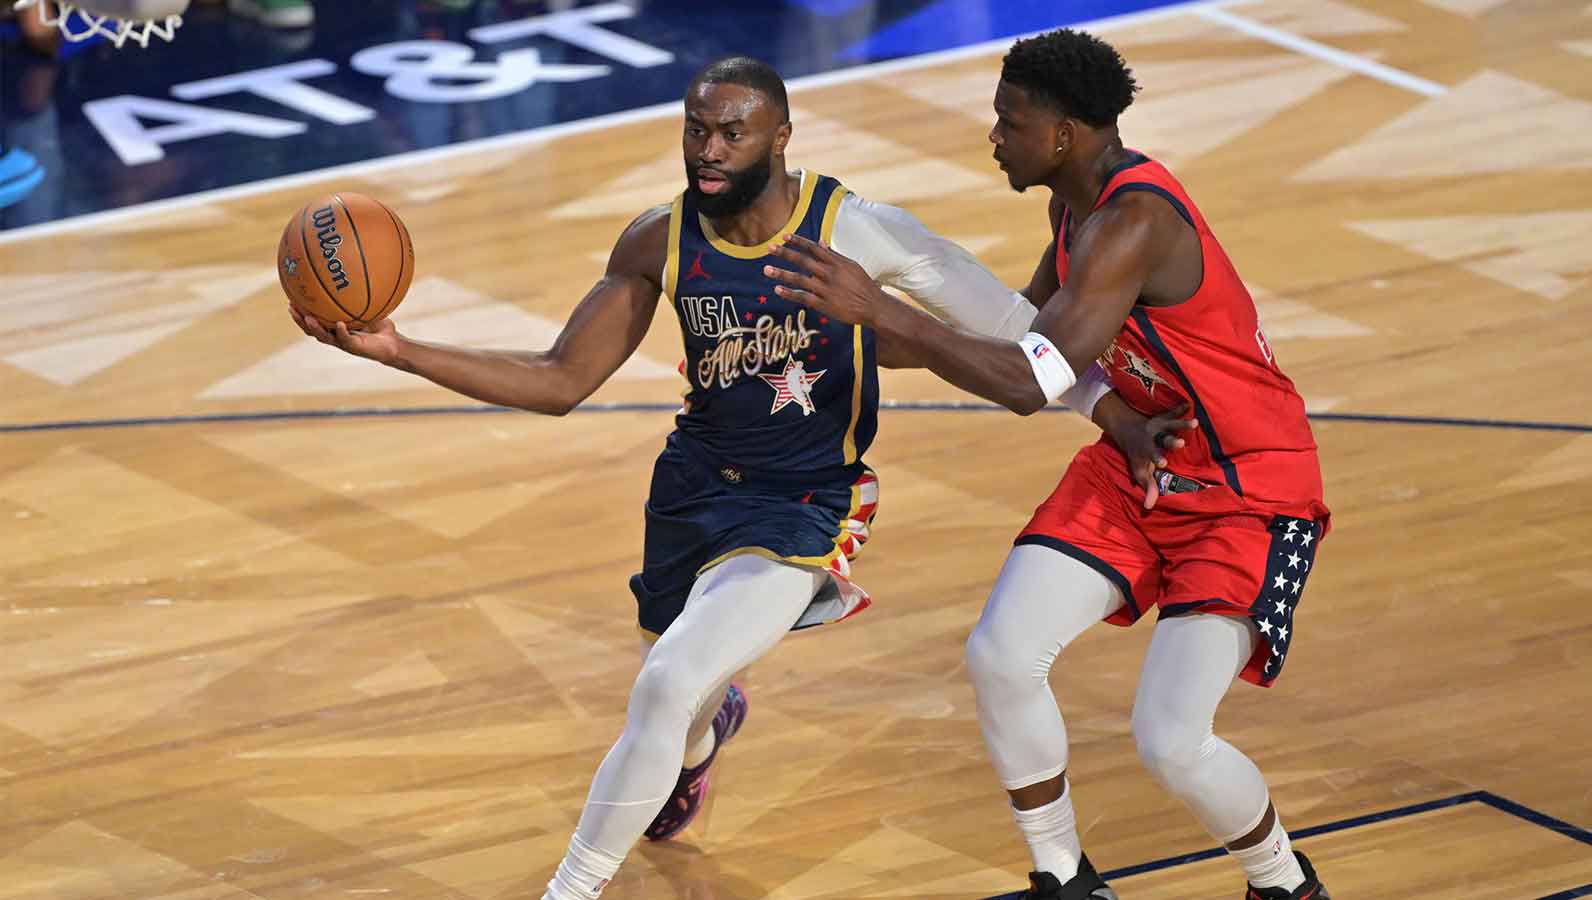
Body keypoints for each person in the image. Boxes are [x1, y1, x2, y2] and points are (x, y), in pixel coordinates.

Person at [290, 55, 1164, 900]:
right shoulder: (658, 239)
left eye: (732, 134)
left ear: (781, 138)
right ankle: (703, 745)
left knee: (667, 685)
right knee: (681, 703)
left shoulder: (855, 229)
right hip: (691, 490)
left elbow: (1017, 332)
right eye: (695, 130)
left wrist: (1115, 416)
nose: (708, 150)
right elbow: (560, 380)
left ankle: (571, 889)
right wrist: (398, 351)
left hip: (804, 502)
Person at [763, 28, 1334, 900]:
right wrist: (845, 343)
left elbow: (1030, 383)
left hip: (1250, 487)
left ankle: (1283, 883)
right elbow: (1017, 338)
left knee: (1171, 742)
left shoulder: (1132, 222)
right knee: (1001, 654)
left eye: (1010, 121)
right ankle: (1065, 879)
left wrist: (881, 308)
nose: (994, 136)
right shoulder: (1075, 210)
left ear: (1064, 134)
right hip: (1144, 456)